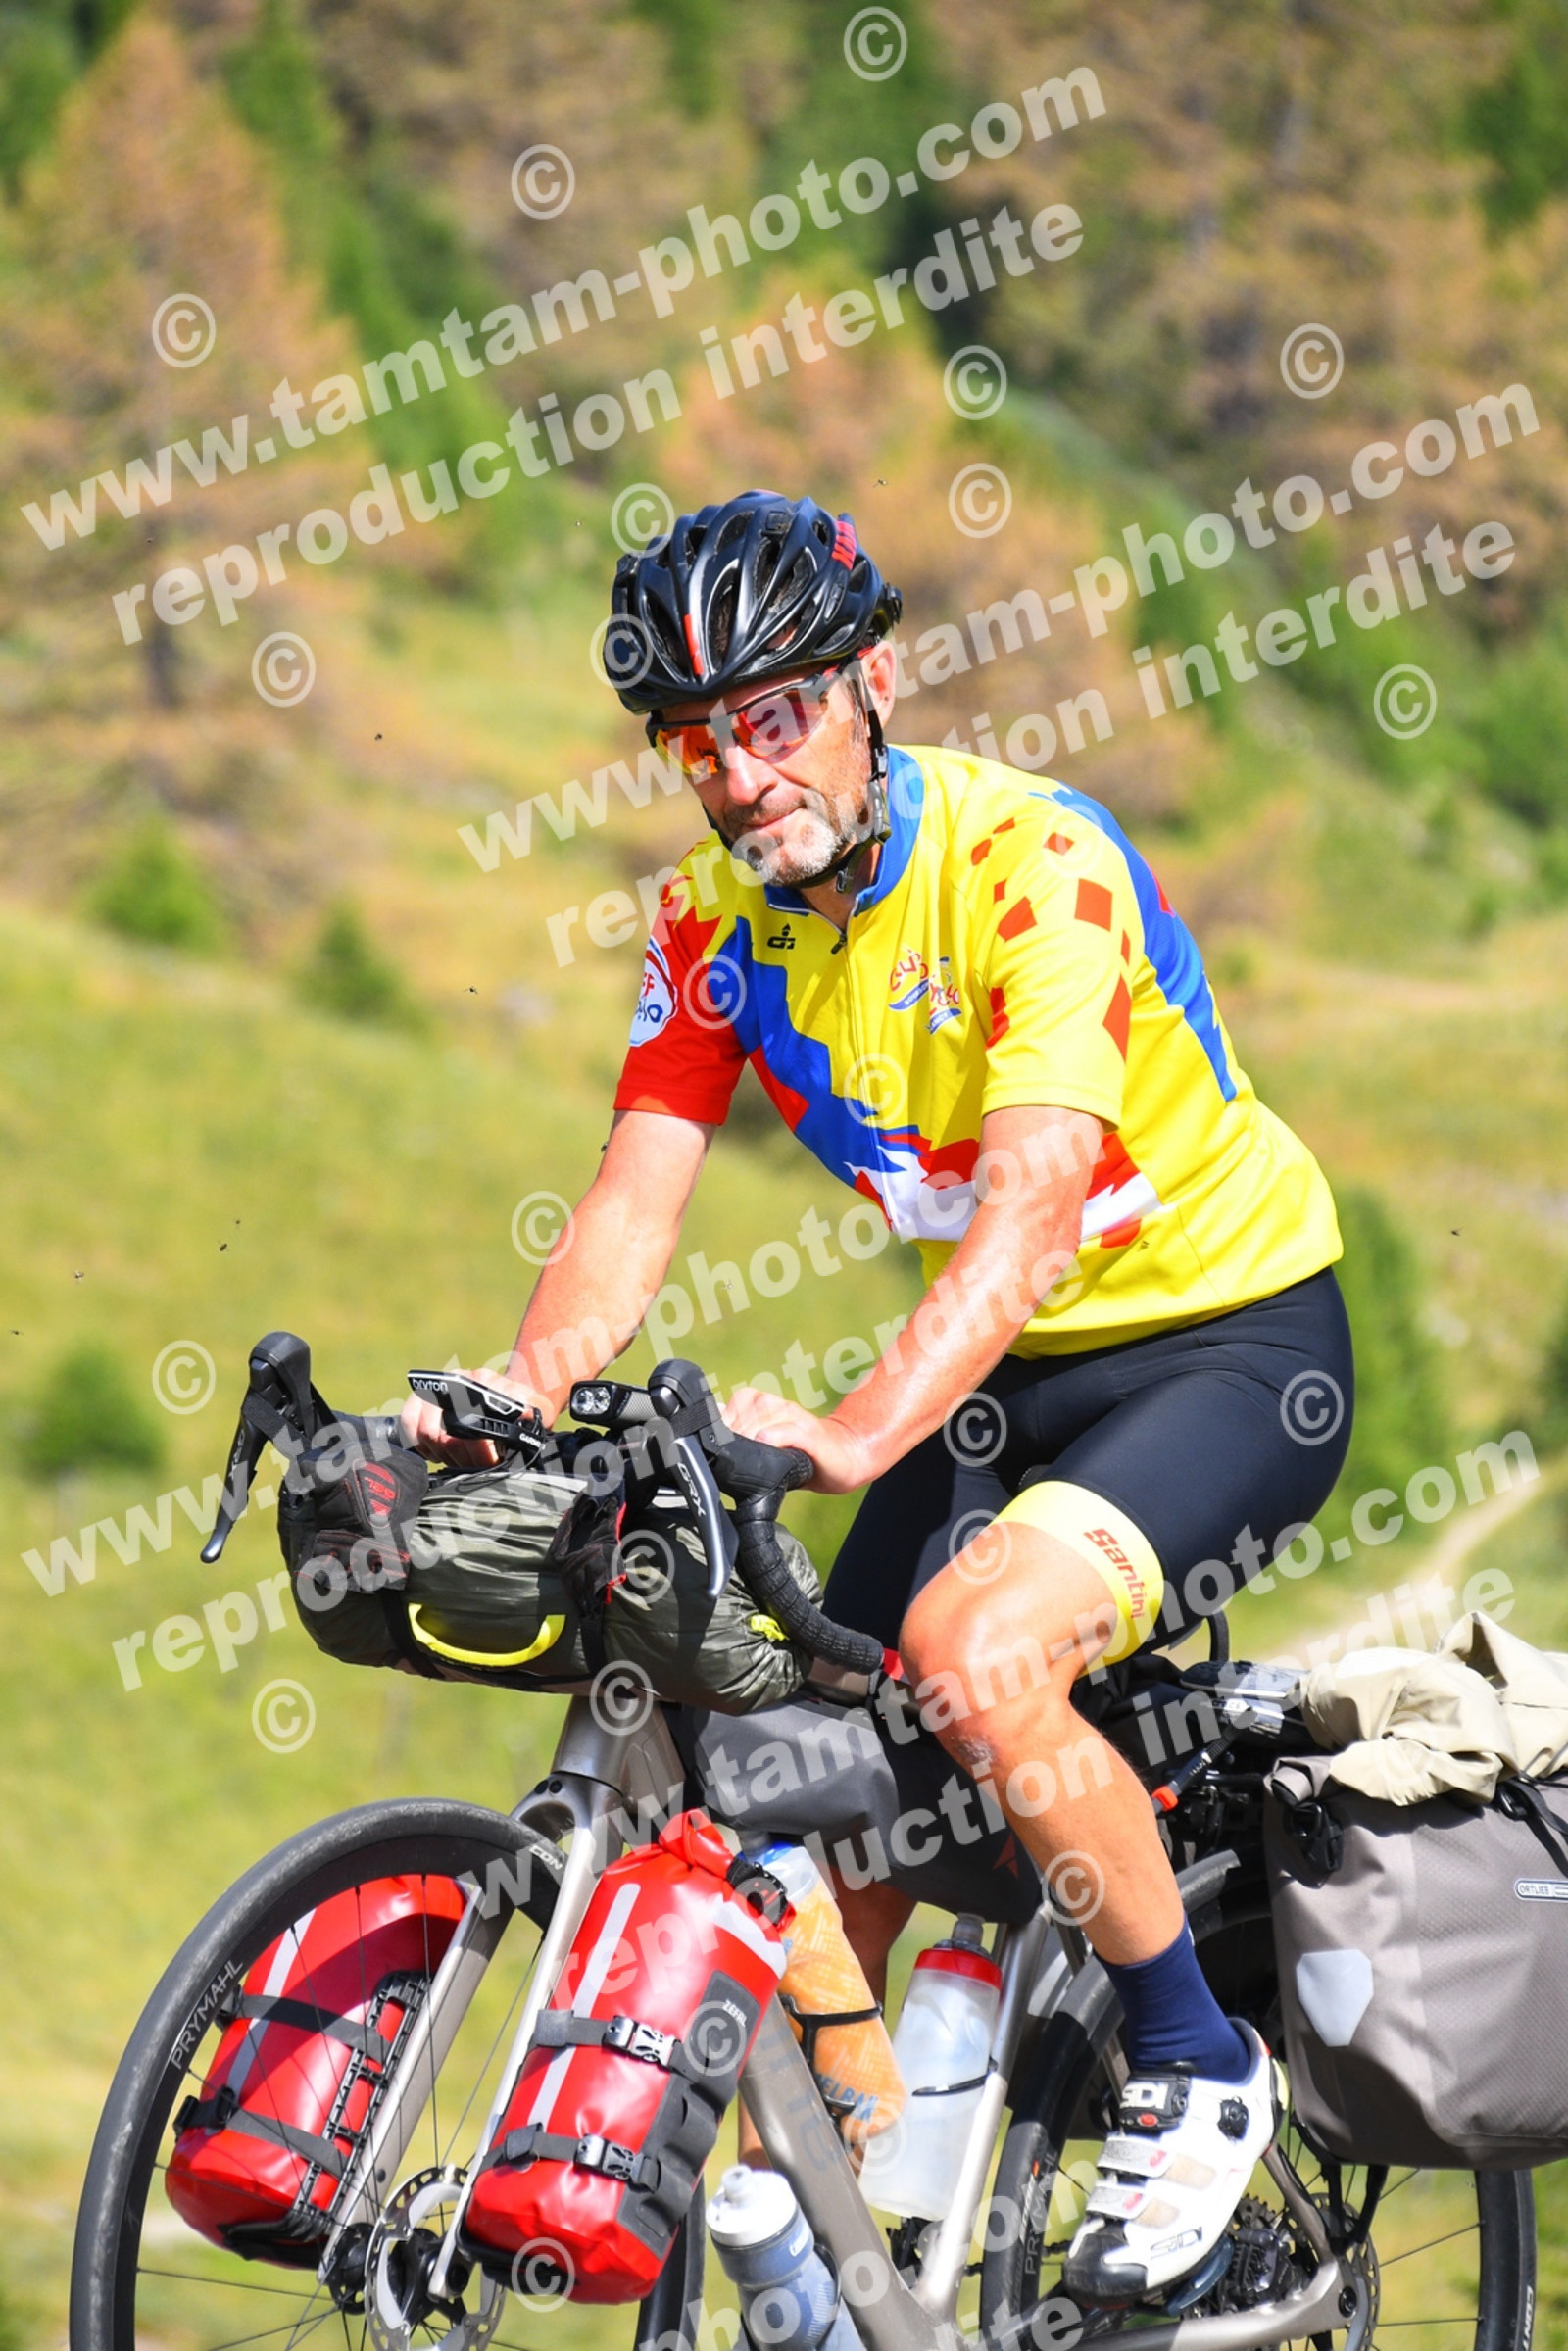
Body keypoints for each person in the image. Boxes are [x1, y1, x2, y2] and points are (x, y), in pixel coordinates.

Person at [403, 488, 1353, 2304]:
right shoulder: (708, 927)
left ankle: (1199, 2063)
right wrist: (519, 1392)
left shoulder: (1033, 865)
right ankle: (874, 2235)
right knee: (810, 1783)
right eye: (697, 741)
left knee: (973, 1655)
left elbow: (1032, 1208)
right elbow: (634, 1196)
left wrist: (848, 1435)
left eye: (773, 716)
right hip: (1004, 1386)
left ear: (873, 687)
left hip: (1229, 1349)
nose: (740, 773)